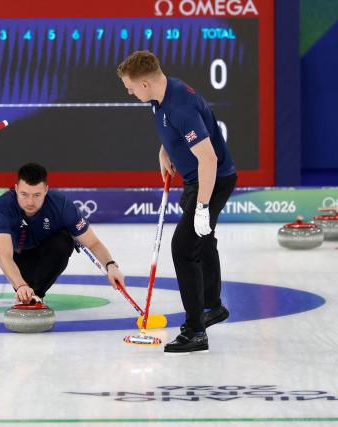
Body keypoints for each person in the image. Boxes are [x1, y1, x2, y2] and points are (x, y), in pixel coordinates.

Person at [117, 50, 237, 353]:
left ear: (145, 84)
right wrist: (165, 149)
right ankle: (212, 306)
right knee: (203, 242)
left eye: (129, 85)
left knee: (183, 249)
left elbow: (208, 159)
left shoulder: (180, 105)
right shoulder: (163, 94)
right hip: (197, 178)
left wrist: (202, 207)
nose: (128, 91)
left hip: (212, 180)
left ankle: (195, 331)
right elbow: (175, 128)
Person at [0, 163, 125, 304]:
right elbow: (4, 257)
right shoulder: (2, 207)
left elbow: (93, 242)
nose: (30, 201)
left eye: (37, 195)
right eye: (24, 194)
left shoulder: (62, 206)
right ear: (16, 189)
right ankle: (27, 291)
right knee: (24, 282)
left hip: (47, 253)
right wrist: (21, 285)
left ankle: (37, 297)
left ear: (46, 190)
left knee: (64, 241)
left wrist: (111, 265)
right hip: (19, 256)